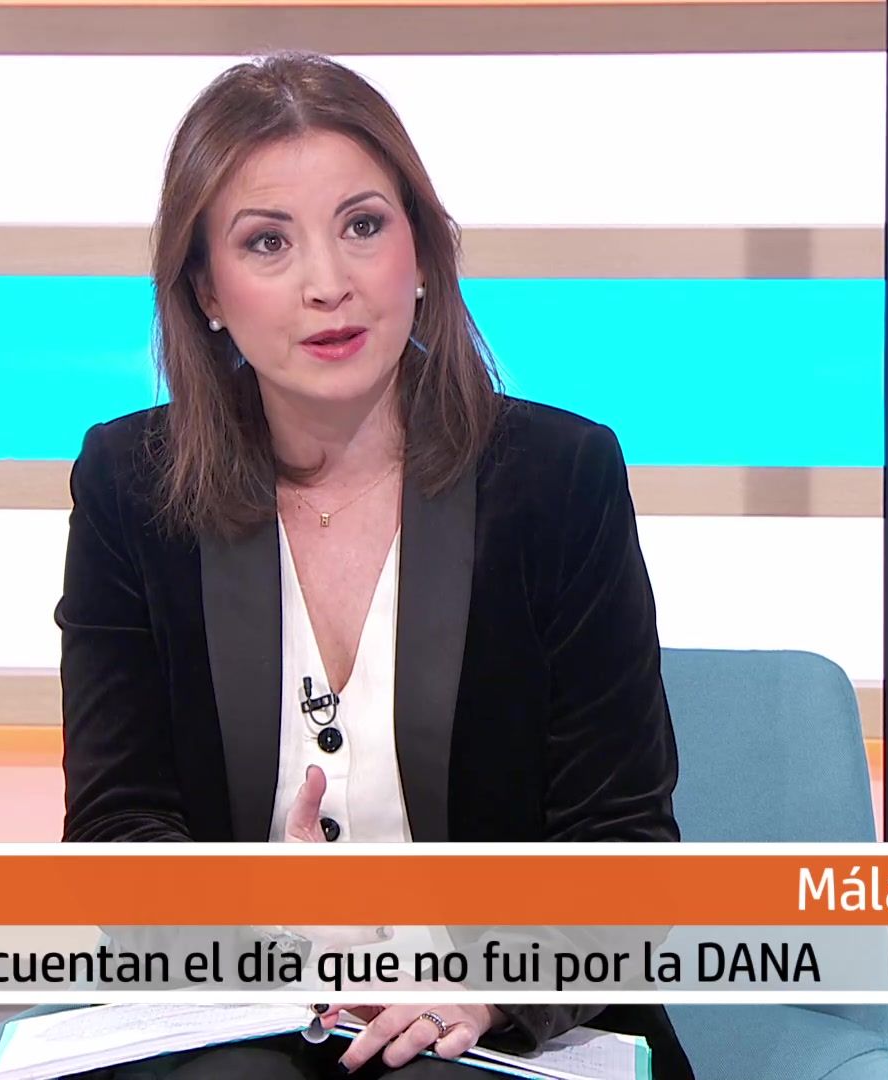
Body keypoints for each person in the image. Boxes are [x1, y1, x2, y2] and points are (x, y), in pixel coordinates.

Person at [53, 51, 692, 1080]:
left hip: (497, 1030)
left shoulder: (557, 479)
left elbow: (622, 841)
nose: (328, 284)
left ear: (422, 253)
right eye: (268, 242)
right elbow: (118, 831)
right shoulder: (132, 485)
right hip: (247, 1015)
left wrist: (487, 984)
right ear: (207, 288)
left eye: (362, 226)